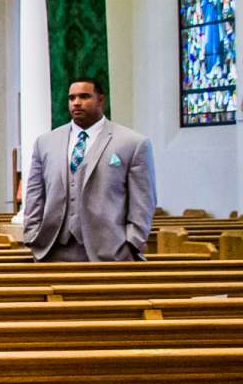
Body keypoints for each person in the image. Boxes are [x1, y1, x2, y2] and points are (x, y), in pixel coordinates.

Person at [22, 76, 155, 262]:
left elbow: (143, 201)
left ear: (101, 100)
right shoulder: (46, 142)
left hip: (111, 251)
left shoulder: (132, 143)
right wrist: (32, 234)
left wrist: (132, 242)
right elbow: (35, 194)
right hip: (52, 249)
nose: (76, 103)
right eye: (72, 98)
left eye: (84, 97)